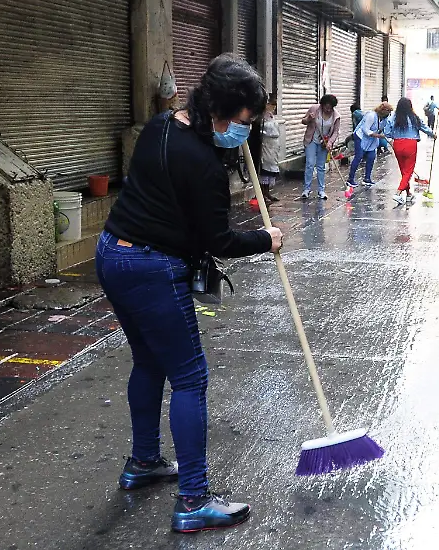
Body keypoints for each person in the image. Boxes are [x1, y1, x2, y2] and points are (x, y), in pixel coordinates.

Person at [97, 54, 283, 533]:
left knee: (149, 361)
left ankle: (143, 464)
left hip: (112, 254)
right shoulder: (204, 166)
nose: (249, 129)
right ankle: (193, 499)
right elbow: (218, 241)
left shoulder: (161, 125)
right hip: (152, 268)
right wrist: (267, 239)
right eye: (247, 119)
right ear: (224, 111)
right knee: (190, 377)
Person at [384, 97, 436, 205]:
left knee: (404, 171)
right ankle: (398, 193)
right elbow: (424, 127)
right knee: (408, 171)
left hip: (397, 144)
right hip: (410, 145)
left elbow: (387, 132)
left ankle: (408, 194)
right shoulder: (413, 117)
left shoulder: (393, 117)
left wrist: (391, 141)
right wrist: (432, 134)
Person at [299, 94, 341, 200]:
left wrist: (330, 142)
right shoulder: (314, 109)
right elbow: (303, 121)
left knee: (321, 167)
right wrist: (309, 118)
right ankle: (306, 189)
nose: (327, 109)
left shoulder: (336, 116)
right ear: (322, 105)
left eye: (330, 107)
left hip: (324, 143)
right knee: (310, 163)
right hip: (311, 140)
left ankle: (321, 190)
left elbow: (336, 132)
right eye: (326, 107)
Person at [349, 101, 392, 188]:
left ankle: (367, 179)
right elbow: (366, 130)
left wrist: (390, 140)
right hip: (361, 137)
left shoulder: (384, 119)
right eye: (388, 112)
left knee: (371, 157)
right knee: (359, 156)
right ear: (382, 111)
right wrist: (378, 136)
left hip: (372, 139)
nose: (389, 114)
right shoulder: (371, 116)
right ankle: (350, 179)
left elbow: (384, 130)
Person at [259, 97, 284, 203]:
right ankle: (262, 193)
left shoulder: (271, 116)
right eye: (271, 105)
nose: (273, 108)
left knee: (270, 168)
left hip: (273, 146)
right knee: (264, 168)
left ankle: (267, 192)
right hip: (265, 145)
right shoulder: (260, 117)